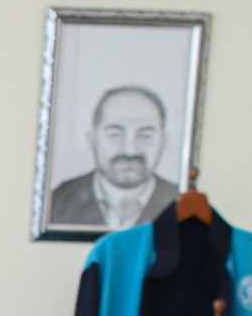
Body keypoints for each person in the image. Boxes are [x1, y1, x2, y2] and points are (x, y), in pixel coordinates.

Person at [46, 84, 178, 230]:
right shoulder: (55, 203)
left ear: (163, 142)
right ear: (92, 139)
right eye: (115, 134)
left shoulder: (182, 204)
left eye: (146, 135)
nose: (130, 151)